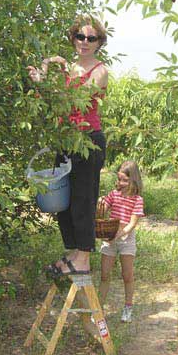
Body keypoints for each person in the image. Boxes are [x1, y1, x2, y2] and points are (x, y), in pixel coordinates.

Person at [27, 15, 108, 277]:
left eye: (91, 38)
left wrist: (49, 80)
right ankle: (73, 251)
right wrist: (44, 80)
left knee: (83, 199)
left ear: (99, 43)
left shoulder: (99, 71)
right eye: (80, 37)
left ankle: (83, 256)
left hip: (87, 141)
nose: (84, 42)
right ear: (72, 39)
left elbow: (76, 102)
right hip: (65, 140)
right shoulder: (68, 69)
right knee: (62, 200)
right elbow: (55, 106)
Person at [98, 160, 144, 323]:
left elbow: (132, 223)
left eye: (125, 180)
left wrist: (120, 234)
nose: (121, 183)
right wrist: (101, 203)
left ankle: (128, 307)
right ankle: (98, 310)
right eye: (119, 179)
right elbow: (103, 210)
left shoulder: (137, 199)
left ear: (134, 180)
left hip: (126, 238)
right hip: (109, 237)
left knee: (127, 275)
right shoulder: (114, 194)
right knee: (104, 274)